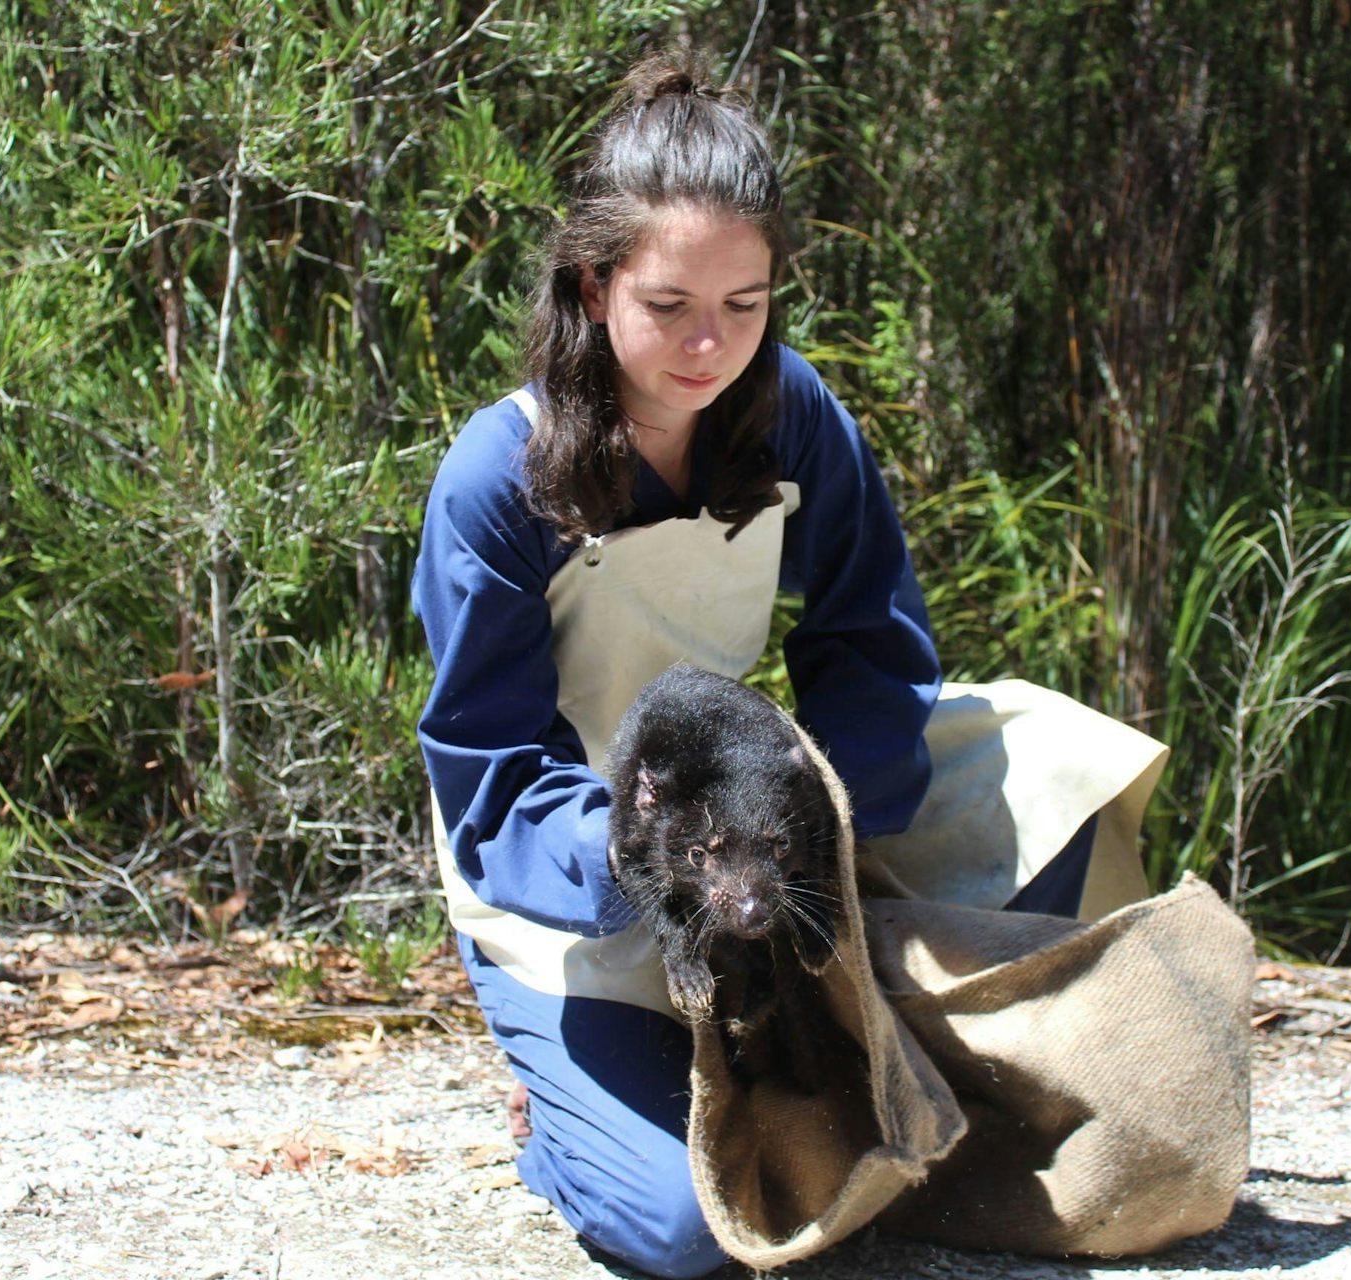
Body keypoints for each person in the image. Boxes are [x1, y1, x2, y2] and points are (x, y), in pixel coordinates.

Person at [411, 50, 1161, 1279]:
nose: (711, 344)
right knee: (689, 1225)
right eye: (669, 306)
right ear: (595, 285)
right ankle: (557, 1124)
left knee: (1056, 780)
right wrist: (652, 861)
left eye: (746, 304)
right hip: (590, 858)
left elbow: (871, 643)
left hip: (773, 806)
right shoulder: (501, 479)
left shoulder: (790, 411)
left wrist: (819, 806)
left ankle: (929, 1048)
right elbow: (491, 781)